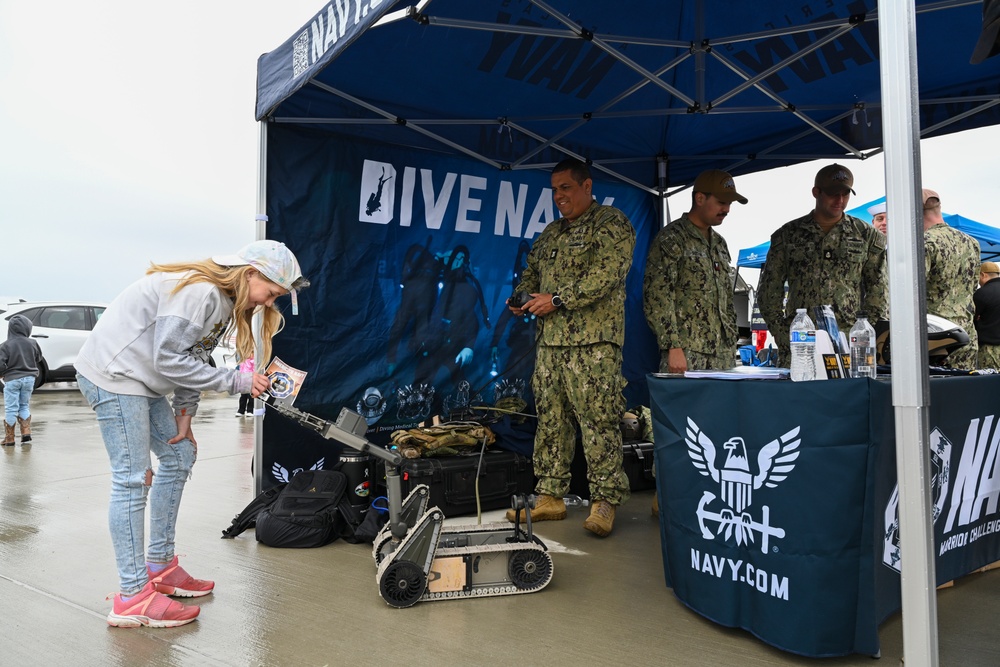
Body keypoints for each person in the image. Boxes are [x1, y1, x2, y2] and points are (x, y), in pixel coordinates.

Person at [75, 239, 308, 628]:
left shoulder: (222, 302)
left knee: (179, 455)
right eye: (270, 294)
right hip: (113, 376)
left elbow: (192, 355)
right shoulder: (201, 293)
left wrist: (185, 415)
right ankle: (132, 597)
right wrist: (237, 380)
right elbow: (167, 357)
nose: (269, 304)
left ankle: (160, 566)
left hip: (140, 383)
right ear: (251, 274)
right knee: (133, 479)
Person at [503, 158, 635, 537]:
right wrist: (522, 296)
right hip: (551, 343)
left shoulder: (611, 222)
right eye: (555, 189)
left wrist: (557, 298)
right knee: (551, 419)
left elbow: (608, 275)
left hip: (594, 343)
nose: (559, 195)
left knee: (599, 420)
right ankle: (550, 496)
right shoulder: (551, 233)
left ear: (586, 186)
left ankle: (605, 501)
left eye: (566, 187)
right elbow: (532, 272)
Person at [757, 163, 888, 367]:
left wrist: (863, 338)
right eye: (833, 194)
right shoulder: (789, 234)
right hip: (801, 343)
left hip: (846, 345)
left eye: (845, 194)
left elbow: (878, 293)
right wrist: (784, 336)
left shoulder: (866, 235)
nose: (840, 200)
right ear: (816, 192)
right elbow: (768, 293)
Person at [643, 169, 748, 373]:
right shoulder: (672, 239)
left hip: (722, 354)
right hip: (687, 353)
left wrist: (732, 336)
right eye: (721, 202)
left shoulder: (719, 243)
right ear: (700, 198)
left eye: (729, 204)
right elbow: (657, 297)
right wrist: (672, 346)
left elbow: (726, 297)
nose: (726, 209)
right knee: (684, 406)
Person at [922, 189, 980, 369]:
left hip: (936, 340)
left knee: (936, 394)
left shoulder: (924, 242)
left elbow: (911, 291)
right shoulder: (971, 242)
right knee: (965, 393)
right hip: (967, 336)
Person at [0, 314, 44, 446]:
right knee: (24, 405)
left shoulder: (5, 345)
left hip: (12, 379)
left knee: (11, 408)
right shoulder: (33, 343)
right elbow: (39, 358)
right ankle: (26, 432)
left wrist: (2, 373)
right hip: (30, 379)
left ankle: (10, 438)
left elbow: (1, 364)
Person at [975, 261, 1000, 369]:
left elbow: (972, 318)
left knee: (990, 383)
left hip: (989, 349)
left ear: (983, 275)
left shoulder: (982, 293)